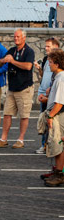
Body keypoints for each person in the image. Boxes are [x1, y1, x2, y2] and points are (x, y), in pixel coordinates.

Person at [0, 29, 35, 149]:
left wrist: (13, 61)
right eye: (14, 36)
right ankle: (3, 139)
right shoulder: (11, 50)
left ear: (24, 38)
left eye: (18, 37)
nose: (15, 38)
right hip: (12, 88)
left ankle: (20, 139)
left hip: (24, 88)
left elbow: (28, 66)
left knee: (24, 115)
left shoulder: (29, 51)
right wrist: (3, 60)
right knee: (7, 114)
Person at [42, 49, 64, 187]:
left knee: (58, 145)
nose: (49, 65)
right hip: (57, 114)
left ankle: (59, 173)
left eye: (50, 62)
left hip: (59, 116)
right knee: (55, 144)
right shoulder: (58, 77)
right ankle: (56, 169)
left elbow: (60, 102)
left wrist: (51, 115)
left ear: (57, 63)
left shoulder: (61, 79)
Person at [37, 38, 60, 154]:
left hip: (52, 97)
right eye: (45, 46)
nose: (46, 48)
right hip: (44, 94)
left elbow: (55, 81)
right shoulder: (46, 59)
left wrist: (49, 95)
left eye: (48, 46)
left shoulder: (59, 70)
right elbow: (44, 77)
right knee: (44, 122)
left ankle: (50, 145)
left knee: (51, 122)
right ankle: (44, 145)